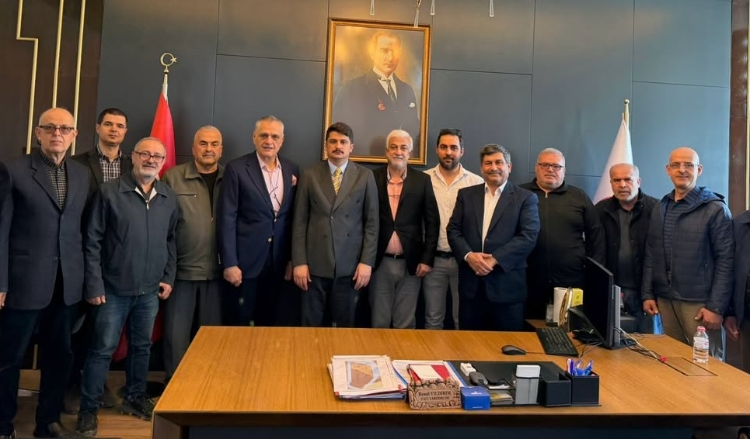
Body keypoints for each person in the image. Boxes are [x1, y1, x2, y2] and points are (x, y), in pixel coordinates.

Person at [77, 137, 178, 436]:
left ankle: (135, 397)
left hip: (149, 291)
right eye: (145, 154)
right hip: (112, 290)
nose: (151, 160)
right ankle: (88, 410)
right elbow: (92, 241)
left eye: (157, 156)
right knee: (101, 351)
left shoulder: (168, 196)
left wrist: (168, 276)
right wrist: (94, 284)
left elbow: (171, 239)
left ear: (163, 162)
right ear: (133, 157)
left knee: (142, 347)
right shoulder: (109, 192)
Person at [0, 108, 90, 439]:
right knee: (9, 359)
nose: (57, 133)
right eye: (50, 128)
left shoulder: (82, 174)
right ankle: (3, 425)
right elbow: (1, 229)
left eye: (65, 128)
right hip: (23, 282)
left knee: (59, 357)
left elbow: (80, 230)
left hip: (67, 285)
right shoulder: (13, 170)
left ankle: (47, 422)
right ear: (38, 133)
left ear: (74, 135)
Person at [65, 107, 132, 414]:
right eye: (108, 124)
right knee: (76, 326)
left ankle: (96, 382)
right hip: (82, 254)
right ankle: (70, 384)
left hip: (118, 258)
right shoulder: (77, 163)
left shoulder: (133, 165)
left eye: (119, 125)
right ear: (97, 128)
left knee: (103, 328)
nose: (114, 129)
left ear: (125, 131)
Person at [641, 147, 733, 360]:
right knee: (674, 362)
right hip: (666, 301)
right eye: (676, 165)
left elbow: (727, 261)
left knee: (706, 366)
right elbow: (652, 252)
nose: (682, 170)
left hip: (700, 304)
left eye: (689, 165)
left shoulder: (715, 209)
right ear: (668, 170)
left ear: (699, 170)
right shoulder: (661, 207)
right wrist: (648, 293)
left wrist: (716, 307)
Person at [292, 122, 379, 327]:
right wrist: (299, 262)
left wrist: (366, 262)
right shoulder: (310, 175)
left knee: (344, 328)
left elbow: (372, 224)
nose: (338, 146)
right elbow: (299, 222)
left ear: (351, 147)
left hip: (350, 266)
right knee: (310, 326)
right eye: (333, 141)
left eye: (343, 142)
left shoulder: (365, 176)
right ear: (326, 145)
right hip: (314, 266)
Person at [217, 116, 299, 327]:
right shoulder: (236, 168)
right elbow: (227, 218)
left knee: (271, 325)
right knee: (239, 325)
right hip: (244, 265)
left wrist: (292, 260)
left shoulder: (292, 169)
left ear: (282, 140)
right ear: (254, 137)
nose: (269, 141)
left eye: (274, 137)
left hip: (278, 264)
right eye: (264, 135)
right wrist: (230, 263)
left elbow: (293, 219)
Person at [447, 144, 539, 331]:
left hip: (507, 289)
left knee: (507, 345)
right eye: (488, 163)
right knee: (469, 344)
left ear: (509, 167)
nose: (493, 167)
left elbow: (528, 236)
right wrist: (469, 256)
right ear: (481, 168)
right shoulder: (466, 195)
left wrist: (495, 259)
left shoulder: (525, 198)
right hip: (472, 289)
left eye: (499, 162)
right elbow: (453, 230)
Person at [161, 126, 224, 383]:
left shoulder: (231, 177)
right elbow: (162, 226)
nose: (209, 149)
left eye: (214, 144)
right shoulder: (173, 178)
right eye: (203, 143)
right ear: (193, 148)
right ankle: (176, 388)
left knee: (212, 339)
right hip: (181, 273)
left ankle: (207, 387)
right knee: (176, 338)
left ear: (221, 149)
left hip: (218, 275)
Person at [520, 148, 605, 320]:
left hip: (571, 279)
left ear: (564, 170)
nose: (550, 170)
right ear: (536, 168)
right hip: (528, 278)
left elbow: (596, 236)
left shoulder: (579, 197)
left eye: (556, 166)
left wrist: (592, 271)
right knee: (529, 327)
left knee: (569, 327)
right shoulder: (520, 194)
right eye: (545, 165)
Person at [370, 129, 439, 329]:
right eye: (393, 147)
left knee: (405, 322)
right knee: (379, 320)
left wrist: (427, 259)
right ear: (386, 151)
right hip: (379, 262)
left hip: (412, 263)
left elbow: (432, 223)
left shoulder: (422, 181)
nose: (398, 152)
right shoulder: (371, 178)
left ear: (410, 153)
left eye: (403, 148)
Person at [422, 128, 484, 330]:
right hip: (433, 261)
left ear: (462, 151)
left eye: (453, 148)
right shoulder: (423, 179)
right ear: (436, 150)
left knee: (463, 320)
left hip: (464, 262)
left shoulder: (477, 182)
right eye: (443, 147)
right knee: (432, 319)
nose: (448, 152)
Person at [332, 30, 420, 157]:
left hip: (399, 162)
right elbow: (341, 132)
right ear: (372, 53)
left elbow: (414, 130)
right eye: (384, 50)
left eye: (394, 52)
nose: (390, 57)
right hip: (364, 161)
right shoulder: (352, 88)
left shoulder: (407, 90)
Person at [595, 163, 658, 333]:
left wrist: (649, 293)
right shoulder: (601, 210)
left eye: (627, 179)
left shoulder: (656, 209)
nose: (622, 185)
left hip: (646, 294)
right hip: (612, 291)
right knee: (611, 341)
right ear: (611, 183)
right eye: (617, 180)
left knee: (649, 341)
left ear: (638, 181)